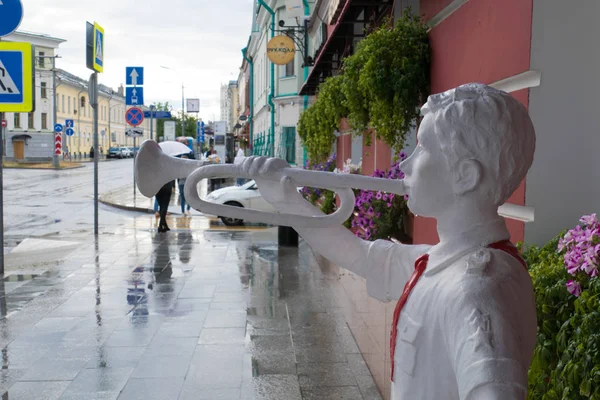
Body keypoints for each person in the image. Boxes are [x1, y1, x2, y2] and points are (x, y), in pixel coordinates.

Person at [240, 84, 537, 399]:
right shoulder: (446, 265)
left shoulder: (477, 290)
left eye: (422, 148)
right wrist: (287, 201)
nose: (405, 164)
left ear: (465, 175)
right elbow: (360, 256)